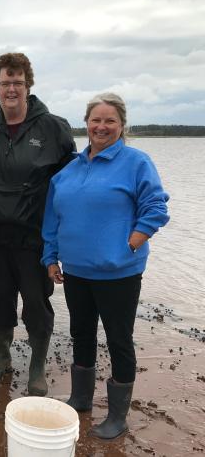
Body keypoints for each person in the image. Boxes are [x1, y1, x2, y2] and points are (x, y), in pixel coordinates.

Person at [42, 92, 170, 439]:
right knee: (81, 334)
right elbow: (52, 218)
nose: (101, 126)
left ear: (121, 125)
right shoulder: (68, 171)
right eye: (95, 120)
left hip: (119, 273)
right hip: (76, 273)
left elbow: (156, 208)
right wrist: (50, 257)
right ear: (86, 124)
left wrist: (128, 245)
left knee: (119, 340)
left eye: (109, 120)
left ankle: (117, 415)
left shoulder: (136, 162)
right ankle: (81, 398)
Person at [0, 53, 76, 396]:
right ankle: (2, 356)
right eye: (4, 83)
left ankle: (38, 367)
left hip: (35, 240)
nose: (10, 89)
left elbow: (72, 185)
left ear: (28, 85)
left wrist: (68, 240)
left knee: (37, 306)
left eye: (17, 82)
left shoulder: (55, 127)